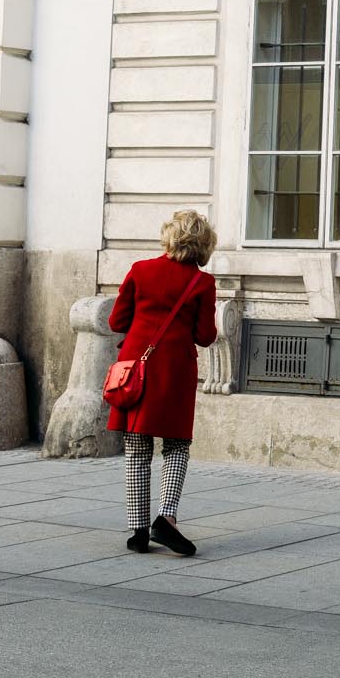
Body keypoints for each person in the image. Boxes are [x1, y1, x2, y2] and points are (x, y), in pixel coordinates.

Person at [108, 209, 220, 557]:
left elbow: (116, 321)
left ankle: (139, 531)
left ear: (169, 237)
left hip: (137, 368)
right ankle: (166, 518)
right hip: (175, 371)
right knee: (176, 445)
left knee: (137, 448)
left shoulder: (140, 270)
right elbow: (205, 336)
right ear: (203, 245)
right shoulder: (202, 283)